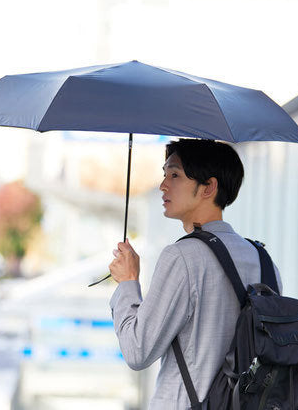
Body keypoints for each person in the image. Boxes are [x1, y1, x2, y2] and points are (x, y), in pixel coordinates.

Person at [108, 138, 282, 410]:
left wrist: (128, 282)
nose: (163, 185)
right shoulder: (263, 259)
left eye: (175, 175)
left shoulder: (182, 256)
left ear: (208, 187)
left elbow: (137, 350)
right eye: (164, 174)